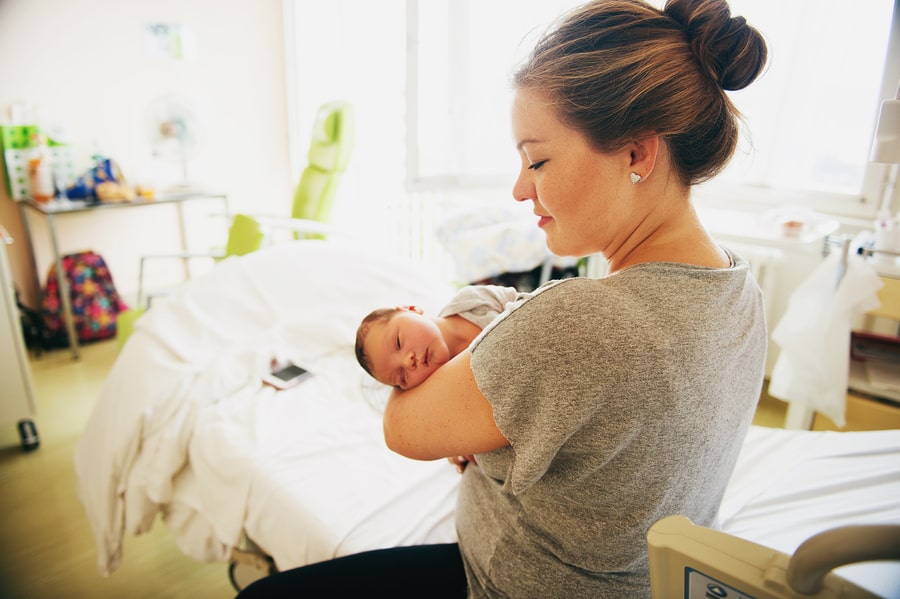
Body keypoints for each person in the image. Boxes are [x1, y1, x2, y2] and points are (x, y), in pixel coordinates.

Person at [238, 0, 768, 596]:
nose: (520, 189)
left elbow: (405, 427)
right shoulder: (741, 291)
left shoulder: (576, 320)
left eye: (537, 159)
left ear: (637, 154)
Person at [354, 284, 522, 391]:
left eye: (398, 342)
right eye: (402, 377)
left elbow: (532, 301)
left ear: (410, 309)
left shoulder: (471, 301)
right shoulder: (450, 387)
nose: (408, 362)